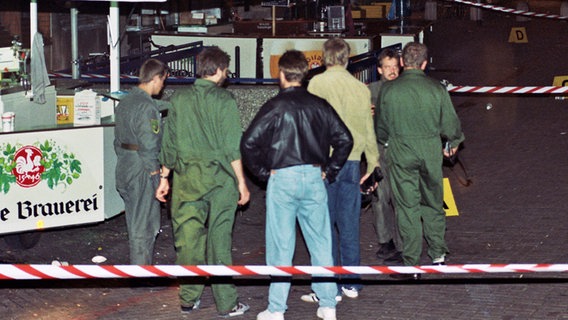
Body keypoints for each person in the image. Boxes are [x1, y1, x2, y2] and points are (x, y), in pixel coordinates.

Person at [241, 50, 353, 320]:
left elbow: (248, 143)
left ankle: (277, 308)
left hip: (283, 179)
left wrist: (265, 174)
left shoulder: (274, 107)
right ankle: (327, 304)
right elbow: (344, 140)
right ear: (305, 74)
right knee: (321, 242)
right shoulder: (319, 105)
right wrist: (330, 169)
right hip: (315, 177)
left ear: (281, 74)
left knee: (281, 244)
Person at [155, 47, 251, 317]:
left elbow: (170, 143)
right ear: (219, 70)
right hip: (220, 181)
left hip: (187, 180)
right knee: (219, 241)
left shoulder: (178, 100)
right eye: (226, 70)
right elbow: (233, 147)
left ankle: (188, 298)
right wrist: (242, 183)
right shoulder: (225, 101)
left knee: (187, 240)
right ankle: (226, 303)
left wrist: (164, 177)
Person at [376, 42, 465, 271]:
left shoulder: (389, 90)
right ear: (425, 64)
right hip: (430, 150)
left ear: (403, 63)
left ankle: (411, 259)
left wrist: (387, 141)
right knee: (434, 202)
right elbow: (451, 125)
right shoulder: (437, 89)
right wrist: (453, 142)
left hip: (401, 150)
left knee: (407, 206)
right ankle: (438, 254)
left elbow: (381, 128)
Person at [306, 38, 380, 299]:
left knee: (324, 226)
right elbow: (368, 130)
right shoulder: (360, 89)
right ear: (347, 59)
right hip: (351, 162)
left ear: (325, 58)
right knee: (349, 224)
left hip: (323, 164)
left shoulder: (316, 84)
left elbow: (311, 126)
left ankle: (330, 286)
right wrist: (372, 163)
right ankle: (351, 282)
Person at [114, 58, 168, 266]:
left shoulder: (125, 101)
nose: (162, 86)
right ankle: (142, 274)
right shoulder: (147, 107)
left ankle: (140, 269)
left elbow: (117, 140)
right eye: (162, 81)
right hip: (142, 170)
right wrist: (156, 174)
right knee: (144, 226)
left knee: (134, 221)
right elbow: (149, 145)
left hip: (125, 166)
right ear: (155, 79)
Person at [368, 48, 403, 264]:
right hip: (378, 150)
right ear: (379, 69)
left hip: (400, 150)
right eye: (387, 67)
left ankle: (402, 244)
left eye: (395, 67)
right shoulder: (370, 91)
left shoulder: (405, 90)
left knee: (401, 198)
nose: (392, 71)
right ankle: (385, 241)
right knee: (380, 197)